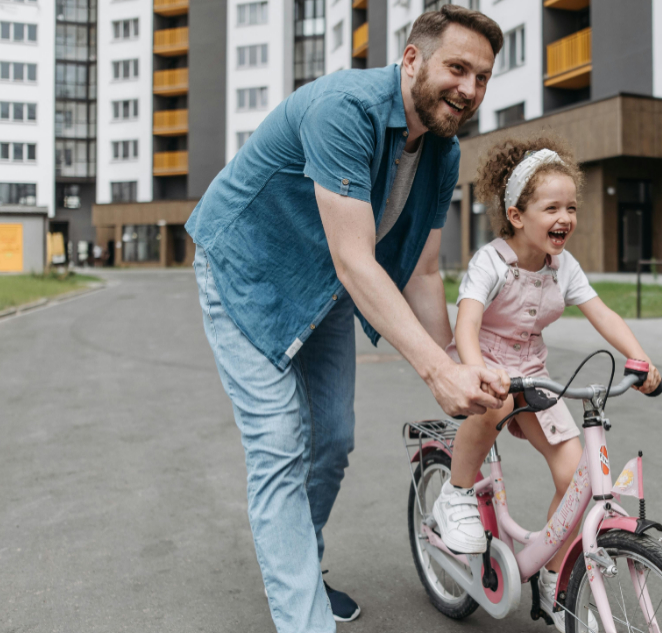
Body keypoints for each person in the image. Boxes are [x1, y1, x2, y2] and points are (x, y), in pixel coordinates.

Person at [185, 6, 505, 632]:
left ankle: (301, 569)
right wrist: (435, 370)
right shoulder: (345, 109)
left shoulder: (443, 152)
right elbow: (358, 260)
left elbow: (421, 270)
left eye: (484, 77)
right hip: (245, 272)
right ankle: (304, 617)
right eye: (458, 68)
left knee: (331, 442)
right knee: (279, 448)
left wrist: (465, 369)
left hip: (324, 285)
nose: (469, 89)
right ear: (412, 59)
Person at [431, 136, 662, 631]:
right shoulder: (490, 262)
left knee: (575, 476)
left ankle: (552, 576)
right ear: (516, 215)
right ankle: (456, 492)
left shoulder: (564, 266)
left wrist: (638, 357)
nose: (566, 217)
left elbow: (602, 312)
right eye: (551, 206)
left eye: (571, 207)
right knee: (490, 406)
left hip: (533, 373)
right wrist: (477, 370)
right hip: (484, 362)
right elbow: (466, 325)